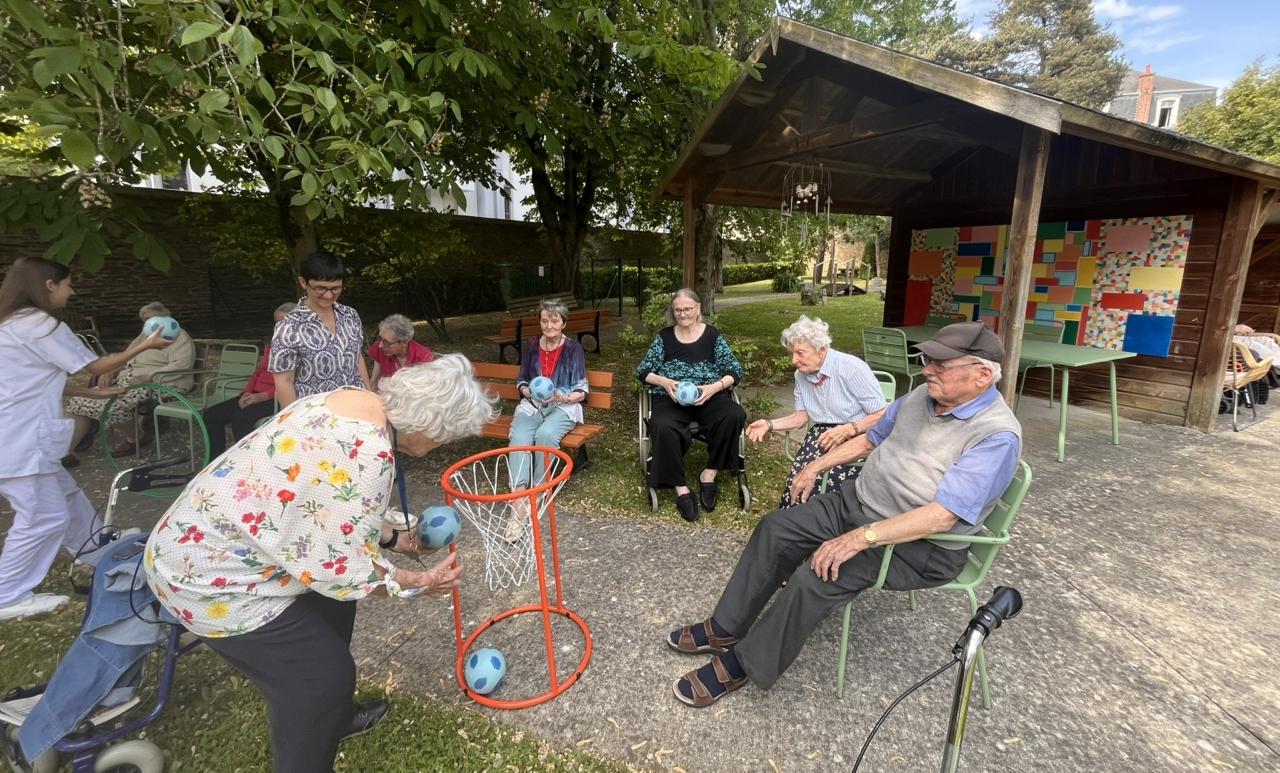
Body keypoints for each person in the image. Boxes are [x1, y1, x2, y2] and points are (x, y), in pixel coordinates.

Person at [144, 354, 497, 772]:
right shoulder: (371, 457)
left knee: (332, 609)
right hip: (209, 576)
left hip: (209, 537)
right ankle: (313, 734)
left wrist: (395, 539)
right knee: (322, 677)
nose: (441, 446)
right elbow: (345, 571)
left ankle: (331, 718)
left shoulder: (351, 401)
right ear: (432, 426)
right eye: (447, 438)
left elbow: (326, 505)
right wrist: (418, 582)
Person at [665, 322, 1022, 708]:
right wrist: (815, 467)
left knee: (814, 575)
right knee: (775, 528)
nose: (926, 370)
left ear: (982, 374)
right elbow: (871, 439)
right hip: (857, 502)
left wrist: (858, 538)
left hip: (917, 544)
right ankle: (725, 628)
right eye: (927, 360)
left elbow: (941, 517)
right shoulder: (922, 395)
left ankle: (744, 663)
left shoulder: (996, 436)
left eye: (940, 364)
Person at [0, 258, 169, 620]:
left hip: (15, 435)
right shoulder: (39, 325)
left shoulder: (8, 325)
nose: (71, 291)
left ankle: (95, 550)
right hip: (21, 439)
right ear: (48, 285)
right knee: (43, 516)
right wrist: (145, 345)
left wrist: (92, 396)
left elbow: (30, 381)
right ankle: (8, 594)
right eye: (68, 284)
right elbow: (96, 367)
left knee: (67, 497)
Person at [745, 315, 888, 508]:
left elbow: (882, 415)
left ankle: (829, 530)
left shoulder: (851, 368)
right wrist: (769, 424)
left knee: (830, 490)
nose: (794, 360)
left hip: (858, 435)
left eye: (800, 353)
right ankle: (795, 529)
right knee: (797, 484)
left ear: (821, 350)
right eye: (791, 353)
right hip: (820, 436)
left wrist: (849, 429)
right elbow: (800, 418)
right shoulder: (801, 375)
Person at [636, 288, 745, 522]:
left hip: (708, 394)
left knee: (734, 414)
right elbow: (643, 371)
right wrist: (664, 382)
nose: (683, 313)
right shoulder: (664, 337)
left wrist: (714, 388)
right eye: (678, 310)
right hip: (671, 397)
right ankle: (680, 487)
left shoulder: (712, 336)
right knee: (662, 425)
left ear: (698, 309)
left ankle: (709, 474)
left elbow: (735, 370)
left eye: (687, 309)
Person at [65, 300, 195, 459]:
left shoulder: (177, 335)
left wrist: (151, 375)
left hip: (163, 383)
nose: (152, 324)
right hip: (131, 381)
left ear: (167, 318)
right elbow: (126, 357)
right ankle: (66, 453)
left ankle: (136, 437)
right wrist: (110, 370)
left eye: (156, 319)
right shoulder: (145, 335)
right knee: (78, 400)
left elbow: (182, 365)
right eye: (147, 321)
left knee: (113, 408)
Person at [504, 299, 588, 535]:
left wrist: (562, 398)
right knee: (519, 437)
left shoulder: (573, 349)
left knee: (545, 434)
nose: (549, 325)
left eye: (554, 320)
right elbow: (521, 380)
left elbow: (581, 388)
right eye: (544, 320)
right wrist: (527, 391)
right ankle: (519, 500)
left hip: (562, 405)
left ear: (563, 323)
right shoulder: (531, 345)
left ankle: (540, 491)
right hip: (533, 404)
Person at [269, 251, 370, 407]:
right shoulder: (289, 326)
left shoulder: (350, 315)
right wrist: (297, 422)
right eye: (320, 288)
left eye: (335, 288)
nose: (329, 295)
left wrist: (370, 397)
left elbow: (357, 358)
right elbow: (284, 381)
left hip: (355, 407)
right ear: (303, 282)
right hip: (315, 416)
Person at [200, 302, 295, 458]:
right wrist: (246, 392)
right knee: (212, 415)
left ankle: (245, 463)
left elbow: (292, 382)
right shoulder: (272, 345)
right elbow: (258, 372)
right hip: (254, 394)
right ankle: (214, 461)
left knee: (240, 419)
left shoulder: (300, 348)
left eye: (285, 322)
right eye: (278, 322)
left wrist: (262, 396)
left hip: (276, 397)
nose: (280, 326)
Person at [368, 313, 434, 390]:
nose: (380, 345)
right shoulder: (380, 348)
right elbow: (374, 382)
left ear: (404, 342)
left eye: (386, 342)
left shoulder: (424, 358)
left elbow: (424, 391)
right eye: (380, 339)